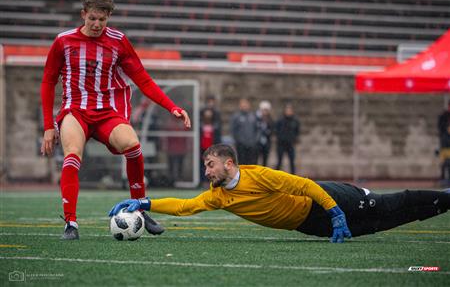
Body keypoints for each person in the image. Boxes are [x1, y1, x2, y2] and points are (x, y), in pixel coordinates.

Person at [40, 0, 191, 240]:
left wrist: (171, 106)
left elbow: (142, 79)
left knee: (133, 146)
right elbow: (47, 82)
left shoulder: (118, 41)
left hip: (108, 113)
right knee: (72, 156)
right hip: (75, 111)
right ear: (83, 15)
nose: (97, 24)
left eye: (102, 19)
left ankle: (140, 210)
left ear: (109, 17)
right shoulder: (63, 41)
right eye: (92, 19)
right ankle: (71, 224)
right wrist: (48, 125)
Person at [110, 144, 450, 243]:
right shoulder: (218, 196)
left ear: (229, 163)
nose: (206, 171)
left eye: (210, 164)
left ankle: (445, 195)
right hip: (308, 225)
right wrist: (144, 202)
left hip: (327, 199)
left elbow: (305, 185)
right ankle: (442, 206)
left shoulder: (260, 176)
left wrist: (334, 210)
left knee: (391, 202)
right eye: (205, 166)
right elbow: (185, 206)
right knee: (386, 222)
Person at [230, 98, 258, 165]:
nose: (244, 106)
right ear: (240, 106)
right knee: (242, 163)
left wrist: (255, 140)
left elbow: (257, 129)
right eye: (243, 104)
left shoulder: (253, 116)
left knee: (251, 163)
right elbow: (233, 130)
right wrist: (238, 140)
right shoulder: (236, 116)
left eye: (246, 104)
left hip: (251, 144)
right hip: (241, 145)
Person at [275, 103, 300, 174]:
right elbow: (276, 130)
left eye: (290, 110)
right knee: (279, 161)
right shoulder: (280, 120)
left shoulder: (295, 121)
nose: (288, 112)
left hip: (290, 144)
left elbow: (297, 131)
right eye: (287, 110)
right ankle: (276, 176)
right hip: (281, 144)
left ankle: (293, 176)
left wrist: (294, 139)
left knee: (292, 162)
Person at [200, 108, 221, 183]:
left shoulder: (215, 126)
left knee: (212, 166)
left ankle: (212, 180)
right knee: (203, 166)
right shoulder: (201, 126)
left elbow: (217, 138)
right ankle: (203, 181)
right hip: (203, 149)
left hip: (212, 150)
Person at [256, 100, 273, 166]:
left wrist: (267, 132)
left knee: (265, 159)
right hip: (258, 142)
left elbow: (272, 130)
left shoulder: (270, 119)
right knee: (256, 159)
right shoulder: (257, 119)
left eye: (266, 110)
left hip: (267, 142)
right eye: (263, 110)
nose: (264, 112)